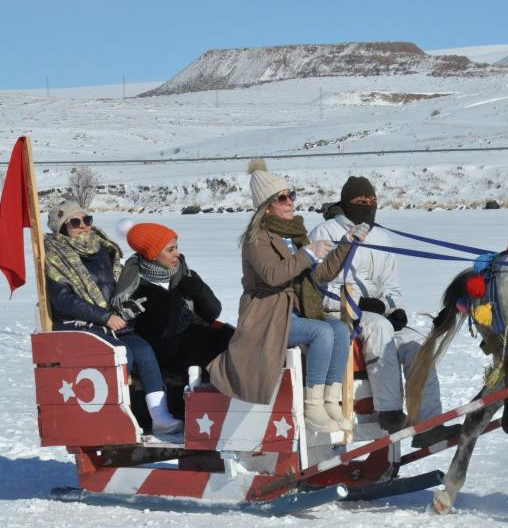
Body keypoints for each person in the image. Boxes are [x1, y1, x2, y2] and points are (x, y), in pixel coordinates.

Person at [207, 164, 360, 440]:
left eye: (292, 195)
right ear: (266, 207)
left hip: (295, 311)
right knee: (322, 331)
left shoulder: (295, 235)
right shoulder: (257, 240)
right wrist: (308, 254)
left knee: (340, 330)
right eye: (282, 198)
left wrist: (346, 244)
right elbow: (273, 275)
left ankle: (329, 401)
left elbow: (322, 274)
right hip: (267, 315)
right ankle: (312, 406)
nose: (290, 202)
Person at [309, 175, 454, 448]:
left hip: (376, 314)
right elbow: (319, 285)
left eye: (372, 200)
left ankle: (428, 423)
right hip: (337, 314)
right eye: (361, 201)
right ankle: (389, 411)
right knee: (378, 327)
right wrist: (360, 305)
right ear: (346, 202)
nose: (368, 205)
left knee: (416, 343)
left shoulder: (382, 237)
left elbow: (391, 287)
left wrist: (392, 308)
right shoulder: (325, 232)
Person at [43, 200, 183, 435]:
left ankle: (160, 416)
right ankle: (118, 416)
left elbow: (116, 287)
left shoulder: (103, 249)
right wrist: (105, 316)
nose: (84, 226)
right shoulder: (57, 257)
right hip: (83, 326)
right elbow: (63, 300)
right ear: (62, 228)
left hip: (113, 323)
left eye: (87, 219)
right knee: (121, 354)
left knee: (144, 351)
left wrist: (125, 305)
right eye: (75, 222)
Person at [114, 220, 233, 377]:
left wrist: (200, 291)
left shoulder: (186, 275)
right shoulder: (136, 285)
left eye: (176, 247)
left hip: (199, 337)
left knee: (234, 338)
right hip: (167, 353)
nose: (177, 253)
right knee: (200, 348)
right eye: (170, 250)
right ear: (153, 254)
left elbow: (213, 313)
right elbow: (143, 332)